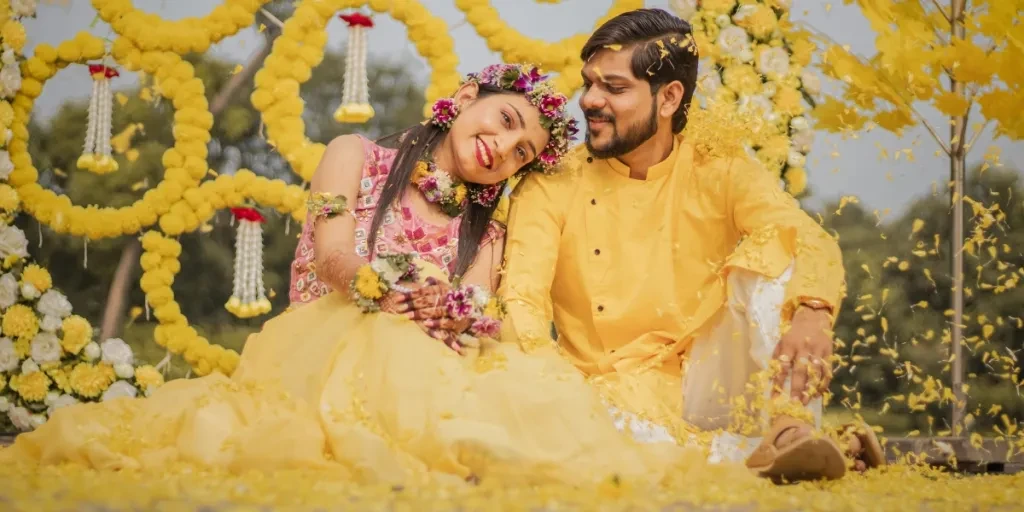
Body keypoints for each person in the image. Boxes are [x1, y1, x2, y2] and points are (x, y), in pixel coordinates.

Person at [0, 63, 721, 488]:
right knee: (385, 347)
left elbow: (475, 299)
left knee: (503, 372)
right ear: (465, 97)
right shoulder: (351, 155)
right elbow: (333, 253)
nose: (501, 147)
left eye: (522, 149)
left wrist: (456, 312)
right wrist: (394, 291)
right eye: (501, 121)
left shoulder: (488, 222)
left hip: (425, 349)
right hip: (328, 330)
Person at [499, 9, 886, 483]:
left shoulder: (717, 164)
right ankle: (805, 452)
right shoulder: (553, 183)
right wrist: (546, 393)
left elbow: (806, 237)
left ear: (669, 98)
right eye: (589, 83)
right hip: (607, 391)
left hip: (712, 376)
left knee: (774, 252)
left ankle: (789, 426)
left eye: (614, 88)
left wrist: (813, 311)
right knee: (610, 440)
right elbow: (522, 302)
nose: (590, 100)